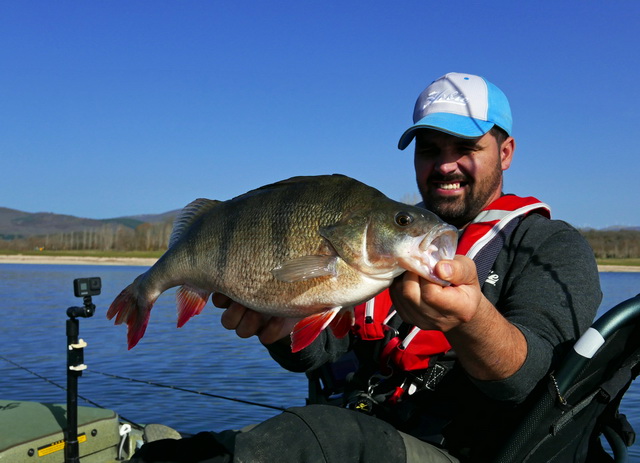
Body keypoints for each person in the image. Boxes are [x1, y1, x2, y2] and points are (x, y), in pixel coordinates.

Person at [129, 73, 602, 462]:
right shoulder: (385, 243)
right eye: (429, 150)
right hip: (355, 427)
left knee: (313, 437)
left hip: (465, 450)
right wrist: (278, 328)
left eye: (465, 147)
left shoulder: (550, 246)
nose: (445, 165)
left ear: (505, 152)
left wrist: (471, 321)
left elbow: (540, 382)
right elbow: (325, 355)